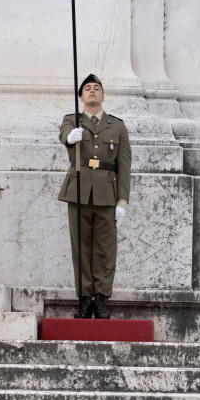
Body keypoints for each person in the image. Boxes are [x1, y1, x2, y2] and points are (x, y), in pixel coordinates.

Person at [58, 73, 132, 319]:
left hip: (107, 194)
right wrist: (70, 138)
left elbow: (124, 166)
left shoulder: (117, 126)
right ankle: (84, 299)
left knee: (105, 249)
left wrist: (122, 200)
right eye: (87, 88)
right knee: (81, 247)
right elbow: (64, 134)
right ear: (81, 96)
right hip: (78, 192)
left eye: (96, 88)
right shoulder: (72, 120)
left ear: (103, 95)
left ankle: (101, 299)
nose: (92, 91)